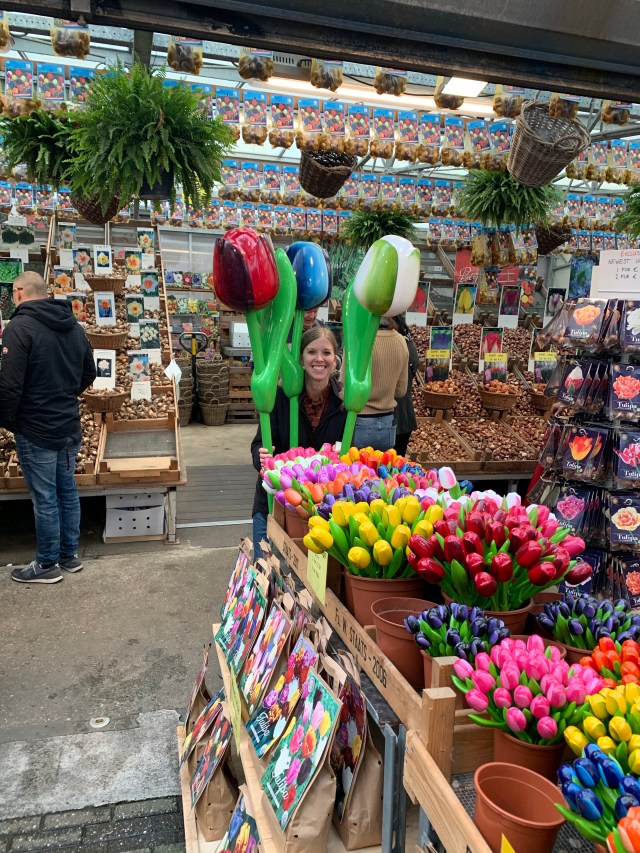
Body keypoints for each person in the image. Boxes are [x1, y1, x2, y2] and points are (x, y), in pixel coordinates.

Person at [0, 272, 96, 584]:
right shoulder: (73, 326)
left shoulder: (19, 328)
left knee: (45, 498)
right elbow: (90, 371)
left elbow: (9, 385)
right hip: (68, 423)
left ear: (19, 292)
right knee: (66, 491)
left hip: (36, 427)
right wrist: (65, 396)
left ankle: (46, 564)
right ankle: (69, 556)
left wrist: (11, 421)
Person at [251, 327, 346, 558]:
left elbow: (348, 459)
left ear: (335, 359)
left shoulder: (345, 404)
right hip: (274, 503)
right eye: (312, 352)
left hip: (321, 513)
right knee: (268, 569)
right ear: (301, 359)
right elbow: (258, 446)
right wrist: (261, 456)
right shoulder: (280, 397)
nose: (319, 359)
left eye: (326, 353)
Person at [350, 317, 409, 452]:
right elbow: (401, 391)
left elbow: (344, 389)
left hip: (359, 421)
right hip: (387, 423)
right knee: (382, 464)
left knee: (356, 465)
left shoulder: (359, 339)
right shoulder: (400, 340)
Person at [392, 314, 419, 457]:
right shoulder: (409, 343)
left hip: (390, 416)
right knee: (397, 462)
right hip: (405, 415)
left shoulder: (394, 344)